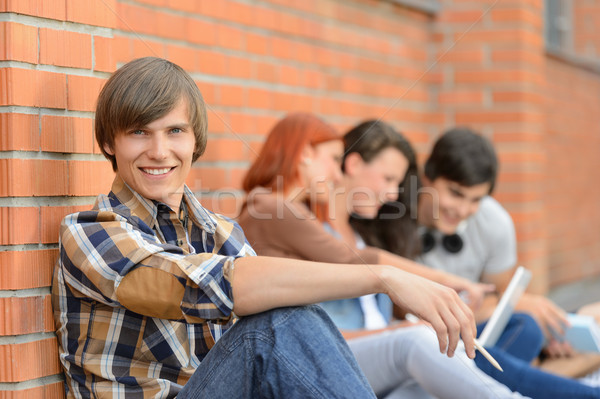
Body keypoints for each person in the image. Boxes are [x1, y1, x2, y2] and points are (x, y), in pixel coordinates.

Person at [51, 57, 480, 398]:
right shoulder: (91, 232)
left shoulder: (220, 232)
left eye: (175, 131)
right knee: (277, 324)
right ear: (110, 142)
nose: (160, 151)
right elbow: (200, 286)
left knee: (404, 383)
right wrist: (385, 278)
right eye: (139, 132)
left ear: (195, 140)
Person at [238, 114, 528, 399]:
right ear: (303, 154)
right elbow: (355, 260)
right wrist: (437, 283)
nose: (338, 174)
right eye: (334, 159)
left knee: (424, 379)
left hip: (328, 353)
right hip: (307, 358)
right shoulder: (271, 206)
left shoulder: (292, 214)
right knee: (416, 343)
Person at [348, 123, 600, 398]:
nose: (462, 210)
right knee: (496, 348)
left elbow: (499, 300)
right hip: (421, 332)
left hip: (470, 331)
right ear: (428, 177)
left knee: (527, 329)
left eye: (476, 200)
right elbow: (394, 308)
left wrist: (517, 304)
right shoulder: (389, 212)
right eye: (455, 193)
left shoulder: (494, 221)